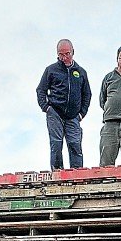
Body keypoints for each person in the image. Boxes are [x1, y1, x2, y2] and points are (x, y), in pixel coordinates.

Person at [36, 39, 91, 170]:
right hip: (55, 113)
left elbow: (87, 94)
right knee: (56, 144)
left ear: (73, 52)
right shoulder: (51, 70)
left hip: (73, 116)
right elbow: (40, 90)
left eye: (67, 54)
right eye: (61, 54)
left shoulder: (81, 72)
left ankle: (77, 175)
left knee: (75, 145)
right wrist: (46, 108)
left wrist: (81, 114)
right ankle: (57, 173)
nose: (64, 57)